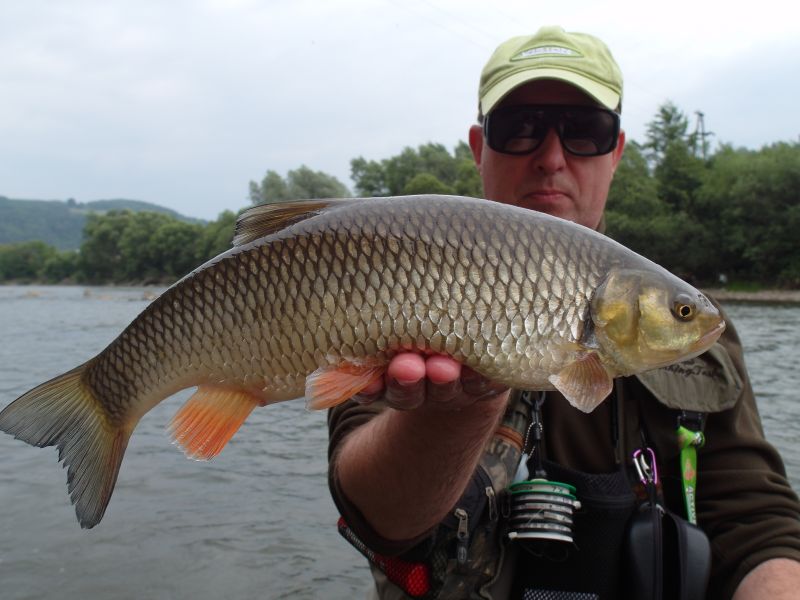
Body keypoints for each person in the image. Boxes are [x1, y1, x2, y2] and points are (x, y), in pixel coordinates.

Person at [328, 26, 800, 599]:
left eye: (584, 131)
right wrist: (458, 409)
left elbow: (757, 522)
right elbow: (377, 519)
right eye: (519, 128)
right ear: (480, 147)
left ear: (616, 151)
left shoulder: (687, 324)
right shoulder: (396, 274)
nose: (551, 158)